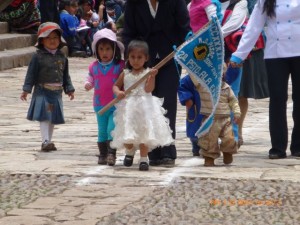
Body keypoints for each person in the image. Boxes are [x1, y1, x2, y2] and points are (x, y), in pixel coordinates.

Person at [122, 0, 191, 167]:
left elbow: (184, 28)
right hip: (143, 60)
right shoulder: (133, 4)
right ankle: (152, 151)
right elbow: (128, 33)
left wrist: (183, 47)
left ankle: (167, 149)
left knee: (167, 103)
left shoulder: (176, 2)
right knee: (147, 105)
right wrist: (133, 58)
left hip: (169, 57)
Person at [230, 0, 300, 159]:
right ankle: (278, 146)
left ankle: (298, 145)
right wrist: (239, 55)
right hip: (275, 53)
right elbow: (254, 27)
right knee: (277, 98)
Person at [111, 40, 174, 171]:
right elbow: (116, 85)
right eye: (132, 57)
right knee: (128, 133)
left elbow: (149, 89)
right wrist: (118, 92)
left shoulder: (147, 73)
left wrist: (152, 77)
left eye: (139, 57)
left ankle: (144, 158)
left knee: (145, 133)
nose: (136, 61)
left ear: (146, 58)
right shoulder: (125, 73)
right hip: (129, 107)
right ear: (128, 57)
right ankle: (129, 152)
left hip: (145, 107)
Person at [20, 22, 75, 152]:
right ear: (42, 40)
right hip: (42, 91)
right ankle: (45, 141)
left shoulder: (62, 56)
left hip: (56, 93)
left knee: (52, 118)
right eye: (48, 38)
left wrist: (69, 89)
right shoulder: (37, 56)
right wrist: (26, 90)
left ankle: (48, 141)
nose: (52, 40)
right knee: (45, 116)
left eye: (55, 37)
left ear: (59, 39)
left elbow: (65, 75)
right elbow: (31, 74)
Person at [84, 28, 125, 166]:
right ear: (96, 51)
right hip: (99, 104)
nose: (104, 52)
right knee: (101, 130)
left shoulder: (120, 66)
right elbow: (90, 78)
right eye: (101, 49)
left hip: (115, 104)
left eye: (108, 49)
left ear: (114, 50)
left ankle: (111, 154)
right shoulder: (93, 67)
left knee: (111, 129)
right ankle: (102, 154)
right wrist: (88, 84)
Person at [236, 0, 269, 148]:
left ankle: (238, 130)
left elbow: (262, 21)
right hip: (221, 44)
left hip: (247, 46)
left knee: (241, 92)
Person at [198, 64, 240, 166]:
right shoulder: (203, 86)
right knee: (209, 141)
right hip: (209, 119)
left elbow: (233, 101)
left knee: (229, 138)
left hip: (225, 119)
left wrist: (237, 112)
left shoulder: (227, 88)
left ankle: (227, 152)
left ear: (223, 74)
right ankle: (209, 158)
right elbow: (194, 78)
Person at [178, 75, 203, 156]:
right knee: (194, 129)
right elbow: (182, 86)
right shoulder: (189, 78)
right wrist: (187, 98)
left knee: (212, 129)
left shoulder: (214, 74)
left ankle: (210, 147)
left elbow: (226, 81)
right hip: (196, 107)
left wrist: (234, 68)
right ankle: (196, 146)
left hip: (210, 107)